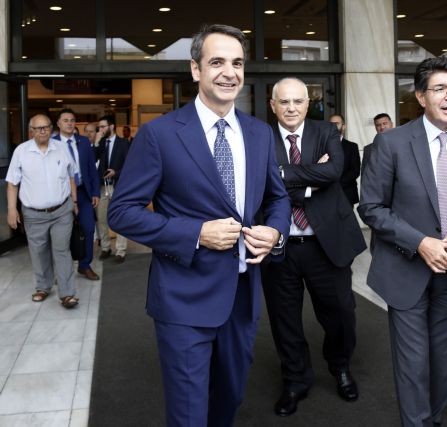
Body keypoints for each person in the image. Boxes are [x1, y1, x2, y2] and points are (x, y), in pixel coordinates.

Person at [107, 24, 290, 427]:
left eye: (237, 63)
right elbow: (121, 212)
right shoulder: (159, 135)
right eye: (217, 62)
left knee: (229, 399)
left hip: (241, 295)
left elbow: (277, 198)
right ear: (196, 69)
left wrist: (275, 231)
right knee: (189, 413)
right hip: (183, 297)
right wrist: (195, 233)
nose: (229, 72)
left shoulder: (259, 133)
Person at [358, 57, 447, 426]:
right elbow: (371, 207)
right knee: (412, 363)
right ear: (421, 97)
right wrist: (420, 242)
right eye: (440, 89)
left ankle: (432, 419)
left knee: (443, 360)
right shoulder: (390, 143)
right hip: (407, 269)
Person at [262, 77, 366, 417]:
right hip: (280, 245)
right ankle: (295, 380)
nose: (291, 108)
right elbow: (259, 181)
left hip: (326, 243)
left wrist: (282, 174)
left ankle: (340, 366)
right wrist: (309, 180)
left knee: (341, 315)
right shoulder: (260, 137)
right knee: (284, 320)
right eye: (284, 102)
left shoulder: (326, 131)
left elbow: (333, 171)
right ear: (273, 105)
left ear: (308, 104)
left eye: (298, 101)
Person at [6, 114, 80, 309]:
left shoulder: (61, 148)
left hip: (61, 211)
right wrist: (12, 209)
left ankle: (67, 293)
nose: (42, 131)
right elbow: (12, 183)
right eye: (38, 128)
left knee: (62, 250)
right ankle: (43, 286)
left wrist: (74, 201)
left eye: (46, 127)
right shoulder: (21, 151)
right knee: (39, 252)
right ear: (31, 131)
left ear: (51, 128)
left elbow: (71, 177)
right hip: (33, 214)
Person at [53, 109, 101, 280]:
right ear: (58, 124)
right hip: (62, 194)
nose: (69, 123)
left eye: (72, 120)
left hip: (83, 192)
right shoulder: (52, 143)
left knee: (88, 228)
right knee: (63, 233)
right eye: (65, 120)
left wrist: (95, 192)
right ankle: (61, 270)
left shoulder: (84, 141)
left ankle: (85, 265)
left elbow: (91, 169)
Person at [95, 115, 129, 263]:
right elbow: (92, 160)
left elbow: (130, 165)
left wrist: (116, 173)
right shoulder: (101, 143)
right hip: (102, 187)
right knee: (102, 218)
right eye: (99, 127)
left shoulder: (123, 143)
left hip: (118, 186)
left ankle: (120, 250)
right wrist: (96, 143)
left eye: (103, 127)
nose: (100, 130)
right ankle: (105, 247)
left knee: (120, 218)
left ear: (112, 126)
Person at [330, 113, 361, 206]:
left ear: (344, 126)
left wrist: (336, 185)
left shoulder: (352, 146)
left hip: (346, 194)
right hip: (325, 195)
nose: (334, 126)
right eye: (331, 124)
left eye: (337, 123)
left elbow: (355, 171)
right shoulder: (320, 145)